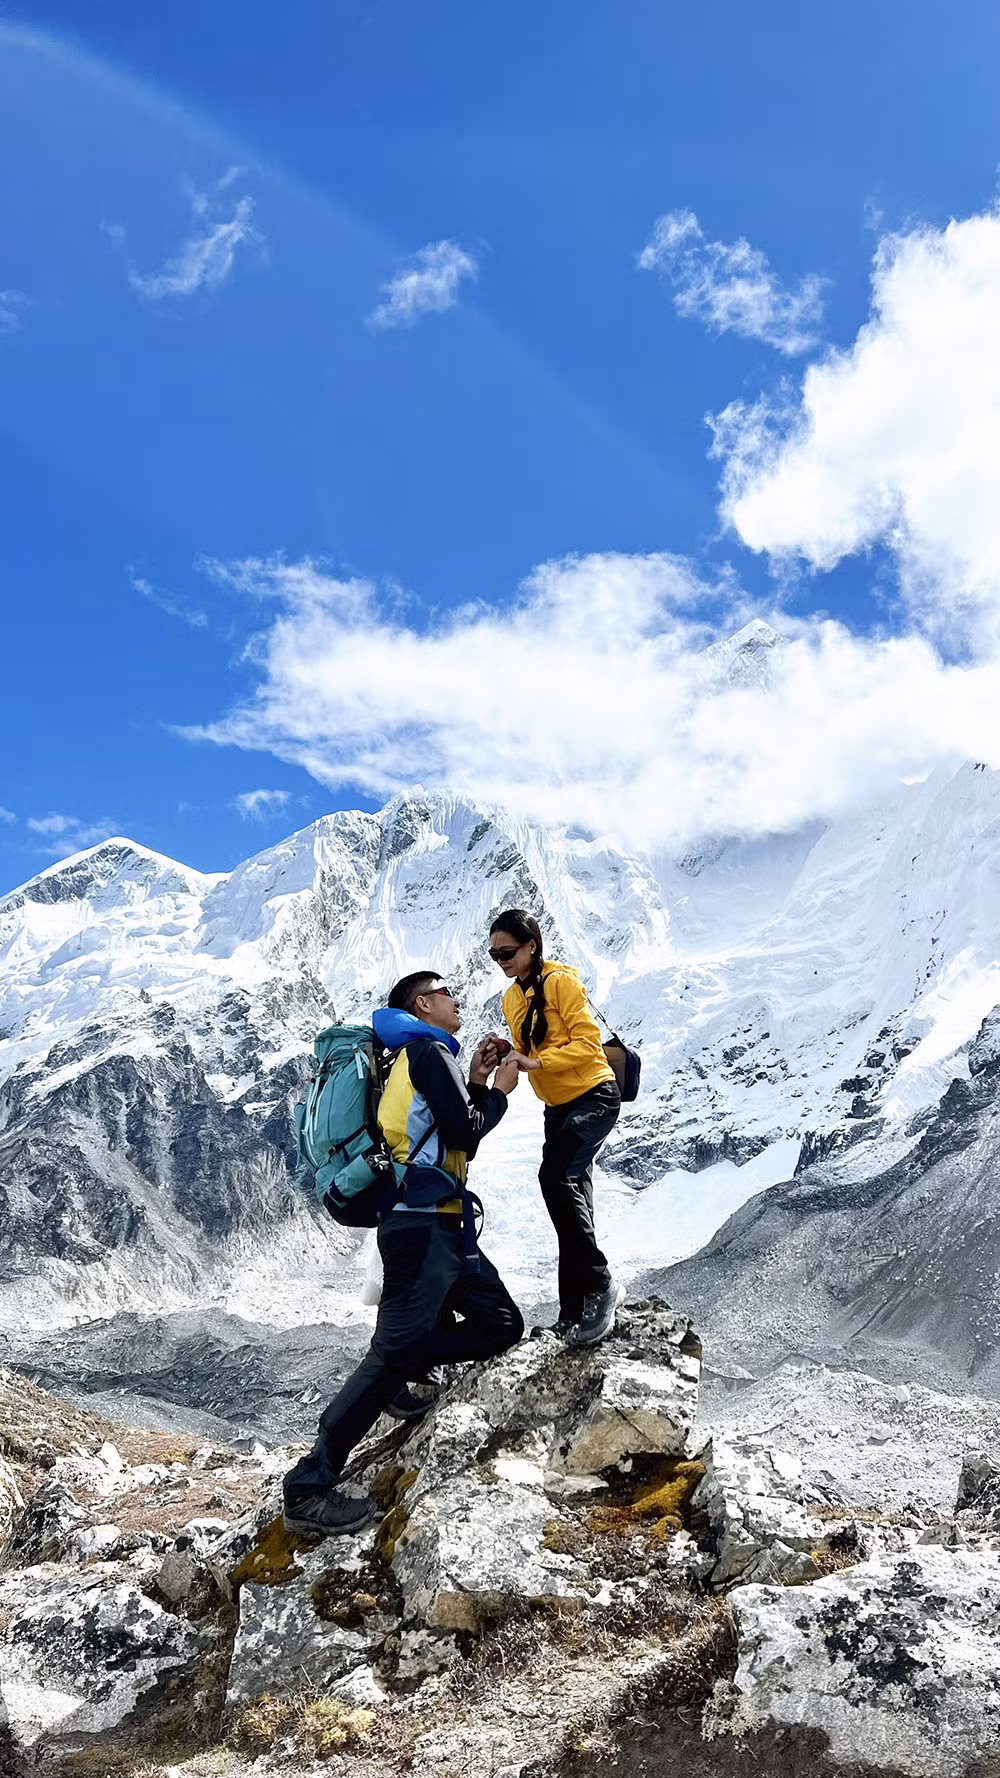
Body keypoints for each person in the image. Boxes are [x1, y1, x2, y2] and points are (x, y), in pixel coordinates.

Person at [283, 971, 524, 1537]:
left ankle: (404, 1366)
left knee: (501, 1325)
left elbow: (443, 1134)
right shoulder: (426, 1052)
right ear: (422, 1004)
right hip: (422, 1228)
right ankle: (308, 1486)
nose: (455, 1000)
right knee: (391, 1353)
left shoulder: (414, 1058)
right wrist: (499, 1091)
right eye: (446, 993)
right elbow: (465, 1133)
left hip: (439, 1224)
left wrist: (476, 1078)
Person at [488, 910, 623, 1347]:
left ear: (532, 945)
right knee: (570, 1202)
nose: (501, 961)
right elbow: (528, 1047)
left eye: (507, 952)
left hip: (593, 1095)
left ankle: (602, 1285)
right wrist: (508, 1050)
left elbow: (587, 1043)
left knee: (556, 1179)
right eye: (494, 955)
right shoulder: (511, 1000)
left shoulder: (561, 983)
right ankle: (572, 1314)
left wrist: (536, 1061)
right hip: (557, 1108)